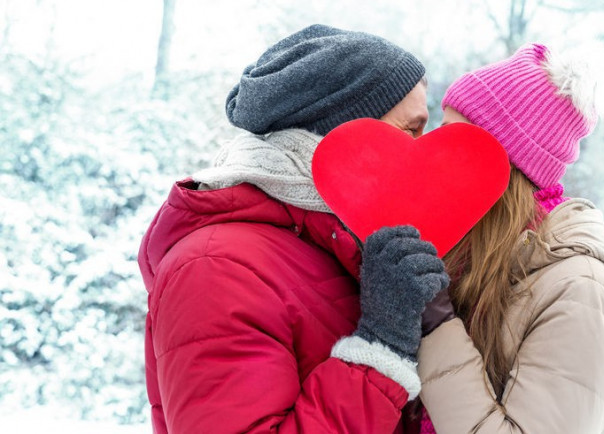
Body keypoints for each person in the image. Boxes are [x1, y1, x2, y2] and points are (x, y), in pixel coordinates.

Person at [137, 24, 447, 433]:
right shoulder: (215, 268)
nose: (423, 149)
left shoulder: (342, 243)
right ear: (343, 130)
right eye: (411, 129)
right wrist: (381, 348)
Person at [416, 43, 604, 433]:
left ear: (506, 168)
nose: (435, 149)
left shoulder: (582, 291)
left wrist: (437, 327)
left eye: (456, 137)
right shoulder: (473, 255)